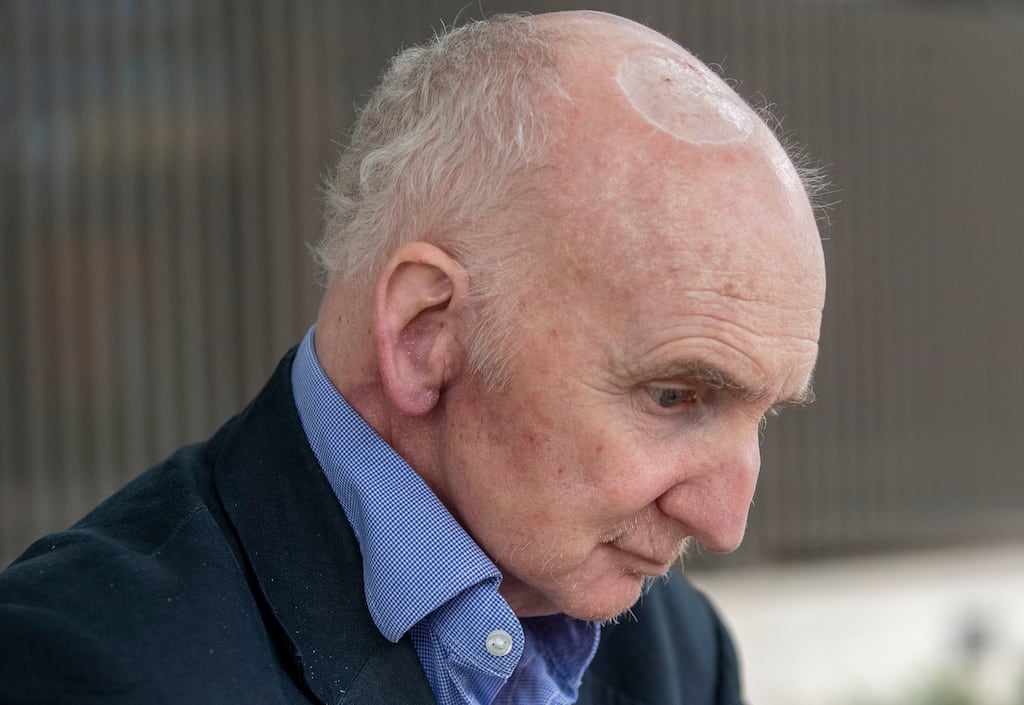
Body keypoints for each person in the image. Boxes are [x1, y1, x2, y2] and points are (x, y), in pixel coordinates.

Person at [0, 10, 826, 705]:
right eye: (675, 395)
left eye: (763, 414)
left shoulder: (679, 655)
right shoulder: (78, 665)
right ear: (425, 334)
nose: (725, 524)